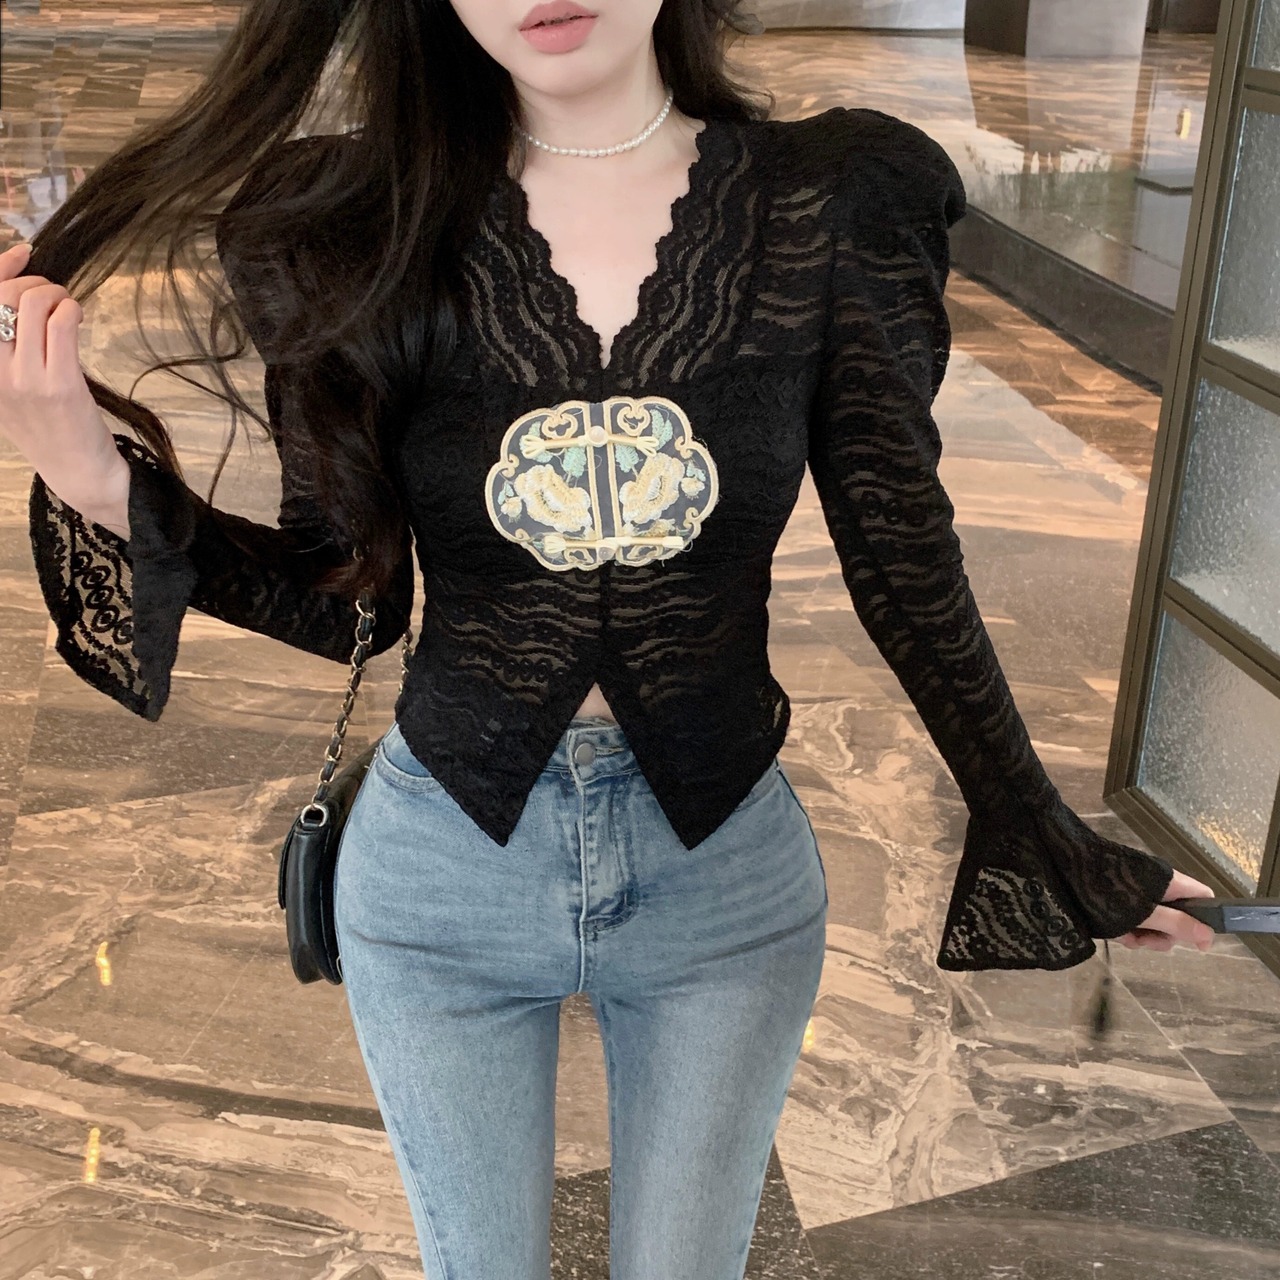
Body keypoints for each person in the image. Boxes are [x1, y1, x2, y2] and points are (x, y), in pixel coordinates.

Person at [0, 1, 1216, 1276]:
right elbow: (345, 597)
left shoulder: (828, 200)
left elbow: (902, 558)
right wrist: (97, 479)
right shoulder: (354, 221)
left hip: (723, 882)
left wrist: (1043, 829)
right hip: (440, 874)